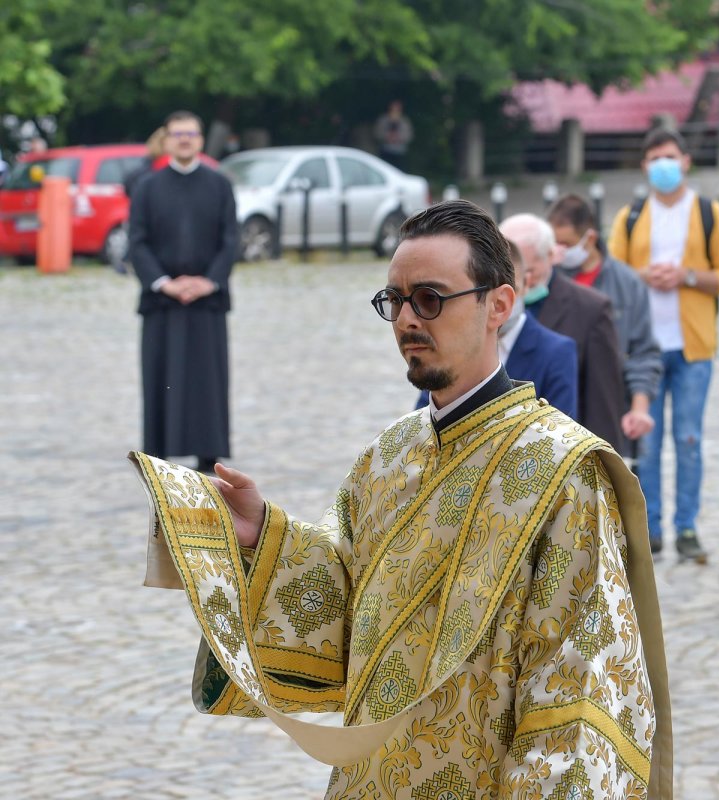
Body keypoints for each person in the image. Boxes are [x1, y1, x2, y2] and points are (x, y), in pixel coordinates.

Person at [129, 200, 673, 798]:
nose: (408, 319)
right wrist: (263, 534)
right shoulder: (387, 455)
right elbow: (346, 608)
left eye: (430, 298)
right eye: (396, 300)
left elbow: (577, 693)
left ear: (498, 305)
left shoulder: (564, 472)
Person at [609, 128, 719, 562]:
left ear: (685, 161)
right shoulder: (630, 217)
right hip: (642, 348)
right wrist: (644, 276)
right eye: (653, 159)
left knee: (688, 439)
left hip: (692, 347)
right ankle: (649, 530)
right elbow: (611, 275)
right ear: (644, 167)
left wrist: (686, 276)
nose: (662, 165)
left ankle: (687, 527)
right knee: (644, 443)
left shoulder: (709, 213)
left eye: (669, 156)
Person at [128, 111, 240, 474]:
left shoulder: (219, 185)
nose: (185, 140)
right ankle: (158, 448)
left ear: (201, 139)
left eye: (191, 133)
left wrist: (209, 281)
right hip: (163, 300)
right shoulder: (147, 187)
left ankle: (209, 450)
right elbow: (137, 242)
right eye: (178, 134)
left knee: (207, 377)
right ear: (166, 140)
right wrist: (165, 282)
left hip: (206, 300)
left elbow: (230, 239)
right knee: (161, 374)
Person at [547, 193, 661, 461]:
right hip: (557, 413)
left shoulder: (627, 283)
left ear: (590, 238)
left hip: (608, 409)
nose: (559, 251)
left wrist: (639, 409)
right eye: (554, 244)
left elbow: (643, 351)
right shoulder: (548, 283)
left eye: (566, 244)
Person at [500, 213, 625, 449]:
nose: (524, 281)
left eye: (530, 271)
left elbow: (603, 402)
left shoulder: (590, 309)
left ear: (550, 256)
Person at [416, 239, 578, 416]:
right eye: (488, 295)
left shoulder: (556, 351)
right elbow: (425, 415)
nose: (498, 307)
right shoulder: (452, 344)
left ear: (526, 283)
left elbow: (560, 423)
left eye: (512, 290)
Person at [373, 99, 414, 172]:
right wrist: (387, 137)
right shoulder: (383, 120)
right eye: (393, 108)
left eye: (397, 109)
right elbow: (377, 133)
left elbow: (409, 136)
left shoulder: (405, 121)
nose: (395, 110)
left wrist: (398, 137)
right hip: (386, 151)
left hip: (400, 152)